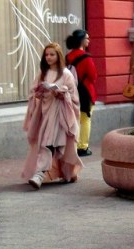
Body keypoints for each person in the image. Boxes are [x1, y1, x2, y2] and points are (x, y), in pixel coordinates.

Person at [22, 43, 83, 189]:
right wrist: (39, 92)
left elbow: (74, 98)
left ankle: (39, 174)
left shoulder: (66, 74)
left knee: (48, 143)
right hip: (45, 114)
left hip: (61, 116)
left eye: (52, 54)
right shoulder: (42, 73)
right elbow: (33, 92)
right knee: (52, 144)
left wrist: (61, 93)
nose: (48, 57)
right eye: (46, 54)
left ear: (58, 56)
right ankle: (68, 173)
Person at [65, 29, 97, 157]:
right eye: (87, 38)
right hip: (85, 91)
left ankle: (73, 144)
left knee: (74, 120)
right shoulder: (86, 57)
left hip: (71, 91)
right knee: (85, 119)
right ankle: (83, 147)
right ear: (82, 40)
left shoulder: (67, 56)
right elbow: (93, 76)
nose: (89, 40)